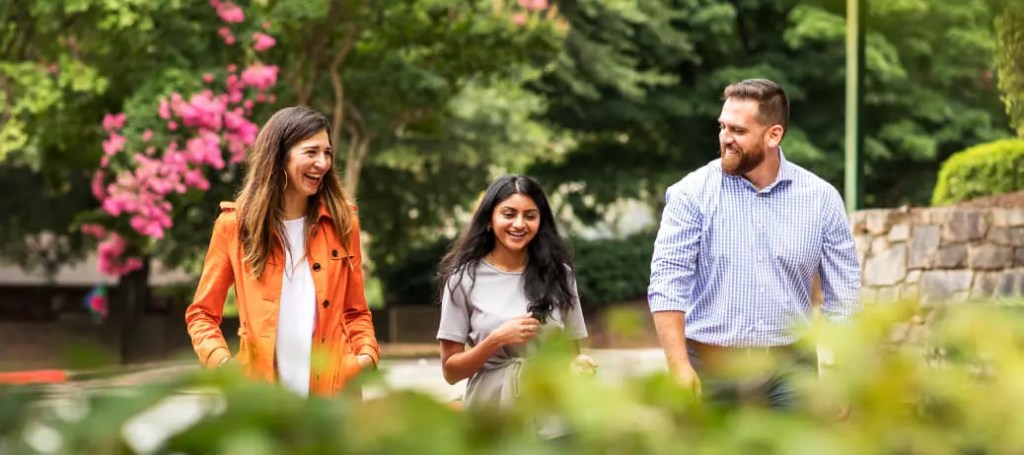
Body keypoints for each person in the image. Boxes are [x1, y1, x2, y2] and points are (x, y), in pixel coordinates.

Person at [647, 79, 861, 409]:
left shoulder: (821, 200)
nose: (725, 138)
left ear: (774, 135)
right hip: (711, 368)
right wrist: (679, 367)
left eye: (738, 130)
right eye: (722, 127)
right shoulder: (691, 194)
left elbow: (843, 296)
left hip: (791, 371)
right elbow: (667, 284)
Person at [185, 106, 380, 397]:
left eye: (327, 153)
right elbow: (201, 314)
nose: (323, 163)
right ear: (280, 156)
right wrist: (223, 366)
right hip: (261, 400)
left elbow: (356, 311)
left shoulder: (343, 222)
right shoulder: (235, 226)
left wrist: (365, 358)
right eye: (311, 152)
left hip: (334, 399)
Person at [436, 174, 596, 413]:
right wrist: (496, 339)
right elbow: (451, 372)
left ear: (541, 221)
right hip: (491, 414)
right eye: (509, 214)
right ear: (489, 219)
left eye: (530, 216)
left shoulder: (560, 275)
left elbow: (572, 354)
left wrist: (579, 366)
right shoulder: (463, 279)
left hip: (553, 416)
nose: (519, 224)